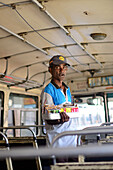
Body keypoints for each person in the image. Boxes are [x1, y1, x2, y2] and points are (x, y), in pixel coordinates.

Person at [41, 55, 77, 162]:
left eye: (64, 67)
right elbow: (47, 117)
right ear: (50, 70)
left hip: (71, 140)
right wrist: (59, 120)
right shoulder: (48, 90)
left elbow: (67, 108)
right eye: (57, 67)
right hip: (58, 141)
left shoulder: (67, 88)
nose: (62, 71)